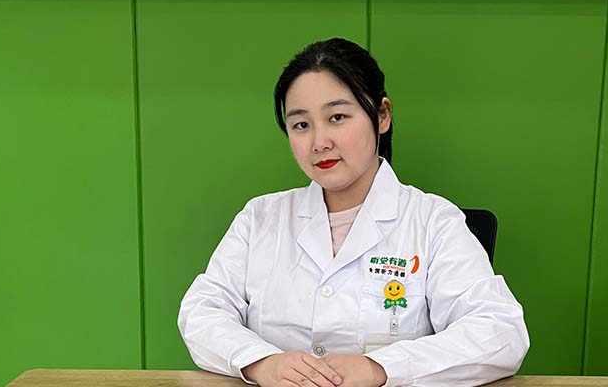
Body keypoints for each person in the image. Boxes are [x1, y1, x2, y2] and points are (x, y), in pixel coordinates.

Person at [178, 38, 529, 387]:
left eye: (337, 117)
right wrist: (261, 362)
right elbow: (202, 312)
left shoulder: (433, 221)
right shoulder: (260, 218)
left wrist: (380, 368)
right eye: (301, 125)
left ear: (382, 115)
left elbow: (500, 332)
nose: (319, 143)